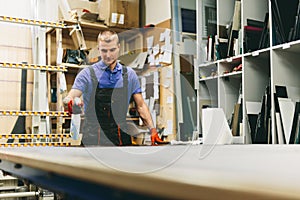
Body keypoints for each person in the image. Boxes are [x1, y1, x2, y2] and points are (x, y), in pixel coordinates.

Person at [63, 30, 166, 146]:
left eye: (112, 50)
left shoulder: (129, 75)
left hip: (120, 139)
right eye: (104, 50)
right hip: (93, 140)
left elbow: (141, 105)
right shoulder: (87, 74)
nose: (108, 55)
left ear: (118, 48)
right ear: (98, 49)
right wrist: (70, 103)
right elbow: (69, 98)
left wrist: (152, 129)